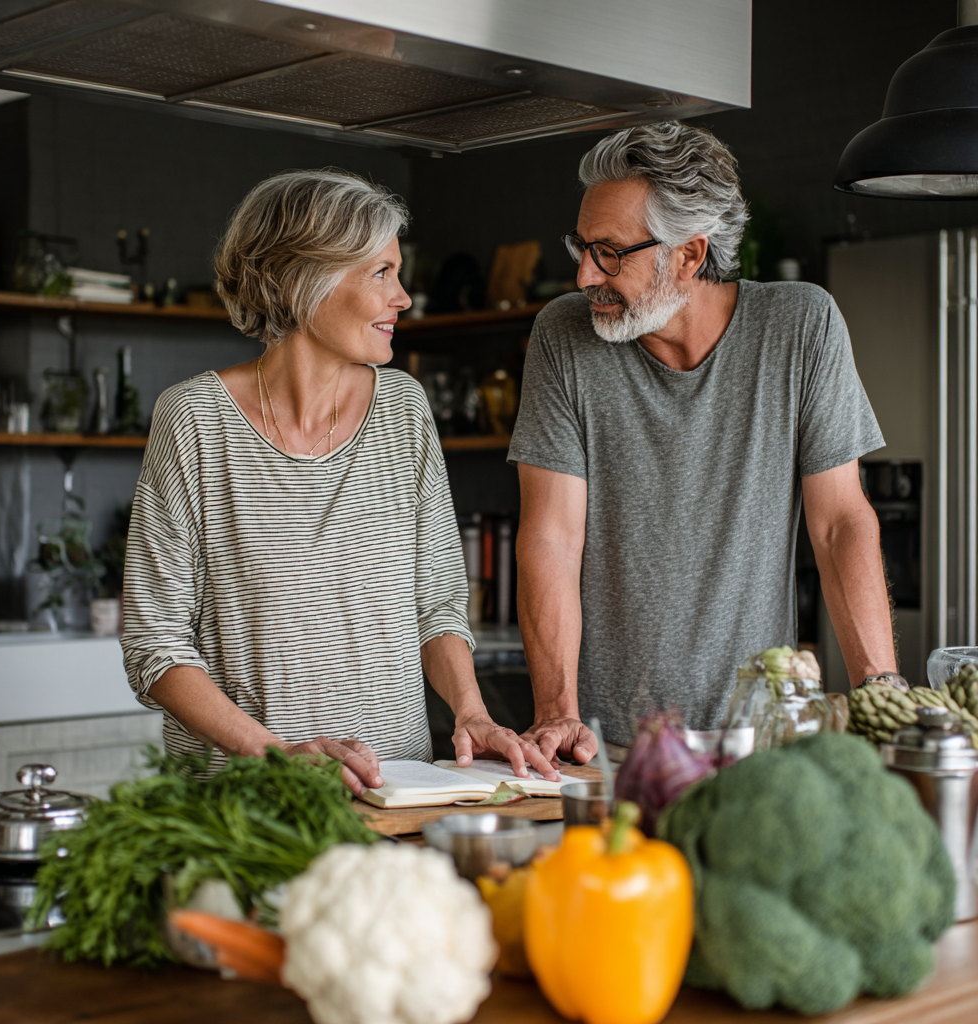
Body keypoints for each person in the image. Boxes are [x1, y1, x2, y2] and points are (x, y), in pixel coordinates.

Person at [121, 168, 556, 793]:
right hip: (247, 811)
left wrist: (472, 713)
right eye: (381, 273)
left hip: (396, 793)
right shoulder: (194, 418)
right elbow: (154, 646)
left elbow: (436, 606)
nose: (403, 297)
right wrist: (277, 756)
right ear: (306, 281)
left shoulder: (404, 410)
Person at [510, 122, 899, 765]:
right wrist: (558, 711)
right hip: (605, 749)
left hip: (760, 741)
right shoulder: (563, 337)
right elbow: (551, 535)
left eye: (609, 252)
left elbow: (839, 524)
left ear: (689, 255)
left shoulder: (801, 327)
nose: (583, 275)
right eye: (581, 246)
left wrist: (880, 691)